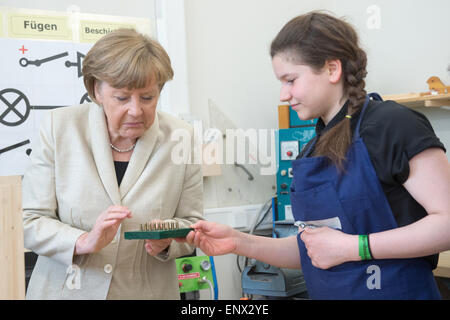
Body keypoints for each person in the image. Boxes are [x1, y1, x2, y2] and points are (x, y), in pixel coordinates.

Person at [184, 11, 450, 299]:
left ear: (332, 69)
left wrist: (354, 247)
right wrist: (237, 241)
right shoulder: (315, 146)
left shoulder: (393, 125)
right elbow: (311, 248)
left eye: (291, 80)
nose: (284, 95)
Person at [22, 28, 203, 299]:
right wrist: (83, 241)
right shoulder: (59, 129)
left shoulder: (181, 138)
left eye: (147, 97)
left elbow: (193, 224)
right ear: (97, 90)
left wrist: (167, 243)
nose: (135, 110)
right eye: (122, 97)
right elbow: (30, 221)